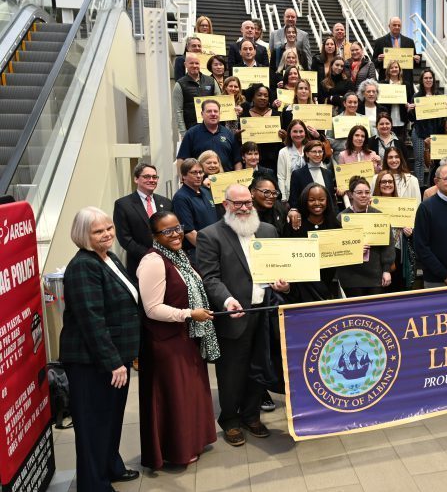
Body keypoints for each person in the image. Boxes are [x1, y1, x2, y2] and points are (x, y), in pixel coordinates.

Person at [197, 184, 291, 445]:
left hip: (265, 313)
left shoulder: (268, 231)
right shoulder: (210, 235)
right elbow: (210, 278)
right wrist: (227, 300)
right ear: (225, 204)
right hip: (234, 316)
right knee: (231, 372)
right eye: (237, 203)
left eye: (248, 202)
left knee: (260, 367)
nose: (244, 208)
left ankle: (251, 416)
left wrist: (284, 284)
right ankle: (229, 420)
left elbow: (282, 270)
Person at [59, 207, 140, 490]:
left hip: (115, 357)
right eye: (98, 231)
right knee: (93, 425)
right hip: (92, 362)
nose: (107, 234)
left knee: (111, 419)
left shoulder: (108, 257)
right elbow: (92, 320)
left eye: (109, 228)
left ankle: (110, 467)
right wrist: (114, 362)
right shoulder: (83, 265)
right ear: (83, 235)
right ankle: (94, 484)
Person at [136, 211, 218, 470]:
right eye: (167, 231)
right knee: (175, 397)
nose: (175, 234)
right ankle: (176, 450)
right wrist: (188, 314)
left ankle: (193, 442)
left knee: (189, 393)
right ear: (155, 236)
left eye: (178, 228)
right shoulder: (153, 261)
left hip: (187, 335)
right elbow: (152, 308)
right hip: (167, 341)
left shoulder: (180, 256)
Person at [337, 176, 395, 296]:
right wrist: (353, 249)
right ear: (351, 195)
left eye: (367, 192)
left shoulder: (379, 215)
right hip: (350, 277)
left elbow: (388, 246)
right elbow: (336, 247)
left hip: (375, 274)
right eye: (359, 192)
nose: (364, 195)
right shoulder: (341, 218)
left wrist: (386, 270)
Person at [113, 163, 172, 280]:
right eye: (146, 177)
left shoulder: (166, 202)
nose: (151, 180)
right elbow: (125, 239)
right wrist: (150, 254)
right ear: (136, 179)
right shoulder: (123, 205)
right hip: (140, 263)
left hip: (167, 262)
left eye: (154, 177)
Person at [283, 183, 340, 300]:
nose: (317, 203)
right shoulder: (294, 224)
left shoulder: (335, 225)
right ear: (305, 201)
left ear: (327, 201)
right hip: (301, 288)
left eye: (321, 199)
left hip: (328, 284)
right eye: (312, 200)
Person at [373, 170, 416, 291]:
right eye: (384, 182)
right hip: (379, 256)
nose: (387, 184)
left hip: (399, 255)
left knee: (398, 290)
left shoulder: (403, 205)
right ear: (378, 184)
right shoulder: (370, 205)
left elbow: (413, 227)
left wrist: (410, 231)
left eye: (390, 181)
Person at [172, 159, 218, 264]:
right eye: (193, 172)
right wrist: (210, 250)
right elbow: (189, 232)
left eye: (200, 172)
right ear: (183, 176)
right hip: (198, 252)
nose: (198, 176)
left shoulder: (206, 192)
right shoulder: (181, 198)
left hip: (214, 248)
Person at [176, 99, 239, 173]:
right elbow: (181, 159)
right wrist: (183, 180)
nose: (213, 114)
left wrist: (236, 179)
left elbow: (237, 161)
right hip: (199, 182)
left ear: (220, 114)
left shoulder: (228, 134)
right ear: (202, 114)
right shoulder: (191, 133)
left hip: (225, 182)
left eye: (216, 111)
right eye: (209, 111)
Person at [412, 69, 447, 186]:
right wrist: (410, 110)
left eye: (430, 78)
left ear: (433, 80)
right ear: (422, 80)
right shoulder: (416, 96)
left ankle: (434, 185)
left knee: (436, 161)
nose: (428, 80)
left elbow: (443, 119)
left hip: (436, 133)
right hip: (419, 132)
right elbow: (412, 118)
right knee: (420, 161)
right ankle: (420, 186)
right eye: (425, 78)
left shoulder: (439, 96)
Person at [173, 53, 220, 136]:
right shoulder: (179, 84)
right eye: (191, 63)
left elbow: (220, 103)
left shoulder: (211, 81)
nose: (194, 65)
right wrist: (184, 133)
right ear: (185, 64)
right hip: (191, 131)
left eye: (197, 63)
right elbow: (178, 111)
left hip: (212, 129)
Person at [241, 83, 281, 171]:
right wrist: (238, 136)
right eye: (259, 95)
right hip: (252, 161)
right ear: (252, 97)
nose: (263, 98)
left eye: (266, 96)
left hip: (273, 162)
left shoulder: (277, 115)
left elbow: (284, 141)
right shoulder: (244, 116)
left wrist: (284, 136)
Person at [372, 16, 420, 85]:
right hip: (386, 81)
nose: (397, 27)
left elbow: (413, 64)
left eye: (399, 25)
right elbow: (373, 63)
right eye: (394, 25)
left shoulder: (410, 42)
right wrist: (379, 60)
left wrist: (417, 61)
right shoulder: (380, 42)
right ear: (389, 26)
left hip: (405, 81)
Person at [289, 140, 335, 209]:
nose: (317, 154)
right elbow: (294, 200)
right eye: (314, 152)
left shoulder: (328, 173)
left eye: (320, 151)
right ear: (307, 154)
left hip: (327, 216)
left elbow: (332, 198)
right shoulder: (297, 174)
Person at [277, 119, 313, 201]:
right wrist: (283, 198)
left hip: (311, 192)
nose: (298, 134)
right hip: (292, 193)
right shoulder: (283, 152)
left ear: (305, 133)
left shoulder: (311, 149)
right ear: (289, 133)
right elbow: (281, 177)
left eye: (301, 131)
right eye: (295, 131)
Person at [379, 59, 414, 143]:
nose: (394, 69)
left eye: (396, 67)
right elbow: (379, 103)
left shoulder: (406, 84)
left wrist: (408, 105)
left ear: (399, 69)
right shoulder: (383, 84)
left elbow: (410, 100)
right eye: (391, 68)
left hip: (401, 120)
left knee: (400, 146)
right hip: (386, 122)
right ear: (388, 70)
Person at [426, 116, 447, 185]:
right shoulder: (436, 142)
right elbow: (428, 164)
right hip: (439, 176)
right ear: (443, 129)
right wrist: (426, 148)